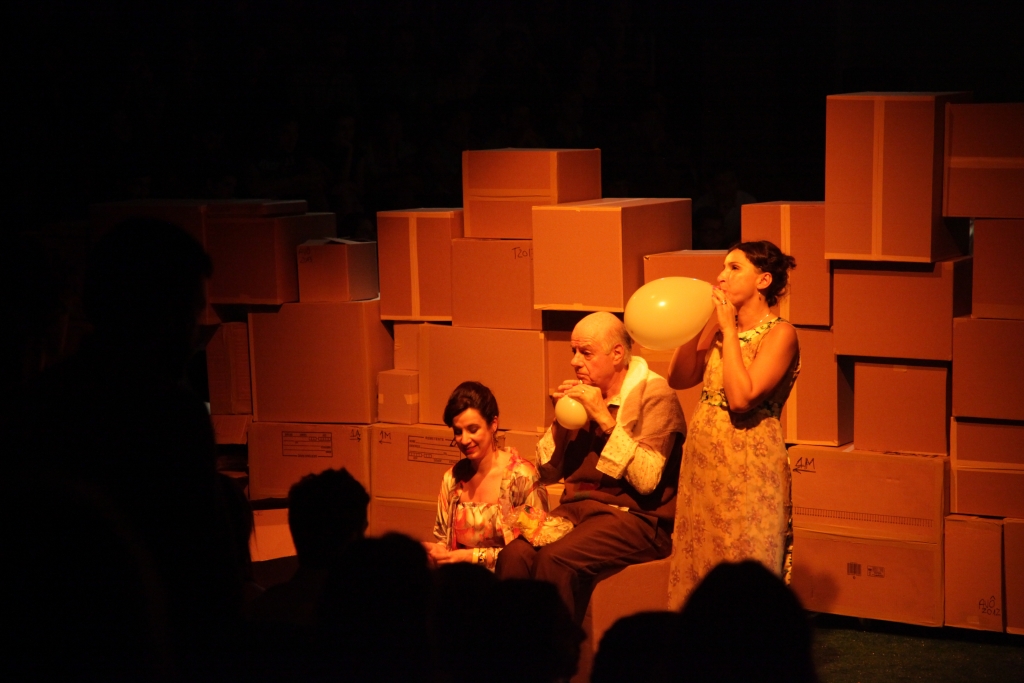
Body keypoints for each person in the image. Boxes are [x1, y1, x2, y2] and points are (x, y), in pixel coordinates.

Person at [495, 312, 687, 622]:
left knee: (554, 560)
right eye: (573, 351)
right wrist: (560, 422)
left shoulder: (655, 396)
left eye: (585, 352)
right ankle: (511, 648)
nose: (574, 361)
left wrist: (605, 419)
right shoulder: (582, 396)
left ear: (617, 354)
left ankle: (555, 651)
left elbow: (647, 480)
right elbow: (547, 474)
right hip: (577, 511)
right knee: (515, 555)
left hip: (635, 518)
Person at [666, 240, 800, 609]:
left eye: (734, 268)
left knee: (741, 551)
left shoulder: (780, 333)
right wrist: (694, 323)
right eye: (723, 267)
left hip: (748, 462)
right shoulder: (720, 332)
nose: (721, 276)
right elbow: (679, 377)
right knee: (702, 552)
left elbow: (742, 399)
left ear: (763, 280)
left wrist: (727, 328)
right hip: (705, 459)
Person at [426, 381, 549, 570]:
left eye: (473, 429)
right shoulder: (452, 479)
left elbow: (534, 550)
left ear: (493, 424)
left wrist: (471, 556)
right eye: (458, 432)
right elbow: (445, 540)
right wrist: (437, 551)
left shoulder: (522, 477)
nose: (464, 440)